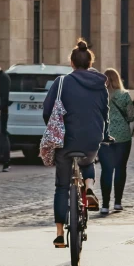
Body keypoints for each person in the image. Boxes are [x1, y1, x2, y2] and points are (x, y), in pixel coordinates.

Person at [43, 38, 109, 248]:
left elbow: (47, 111)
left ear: (71, 62)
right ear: (90, 62)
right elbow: (104, 112)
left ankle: (60, 233)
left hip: (65, 140)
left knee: (61, 186)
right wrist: (105, 134)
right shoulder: (100, 84)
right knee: (88, 160)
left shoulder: (61, 82)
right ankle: (89, 188)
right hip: (92, 137)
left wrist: (55, 130)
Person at [98, 68, 134, 217]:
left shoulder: (100, 96)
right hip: (123, 137)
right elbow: (131, 116)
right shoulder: (124, 95)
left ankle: (105, 205)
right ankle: (118, 202)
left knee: (106, 170)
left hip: (104, 137)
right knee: (120, 168)